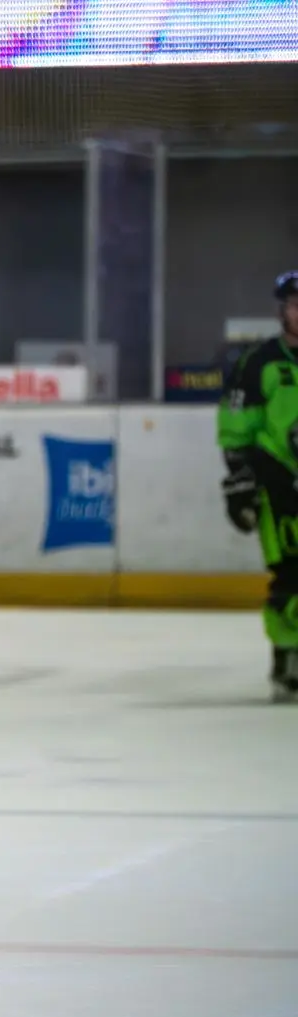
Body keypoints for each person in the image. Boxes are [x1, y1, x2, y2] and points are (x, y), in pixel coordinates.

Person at [218, 270, 298, 701]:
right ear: (283, 311)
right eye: (296, 305)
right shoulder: (258, 363)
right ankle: (288, 659)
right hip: (277, 482)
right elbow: (236, 428)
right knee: (291, 576)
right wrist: (240, 481)